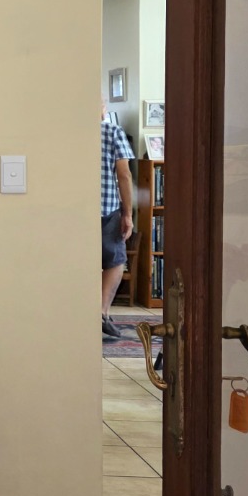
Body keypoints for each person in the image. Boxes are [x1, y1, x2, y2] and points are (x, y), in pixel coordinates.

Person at [101, 105, 135, 339]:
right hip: (107, 208)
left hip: (72, 211)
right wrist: (128, 214)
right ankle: (101, 311)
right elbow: (124, 173)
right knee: (115, 261)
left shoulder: (67, 132)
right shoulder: (113, 131)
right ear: (101, 109)